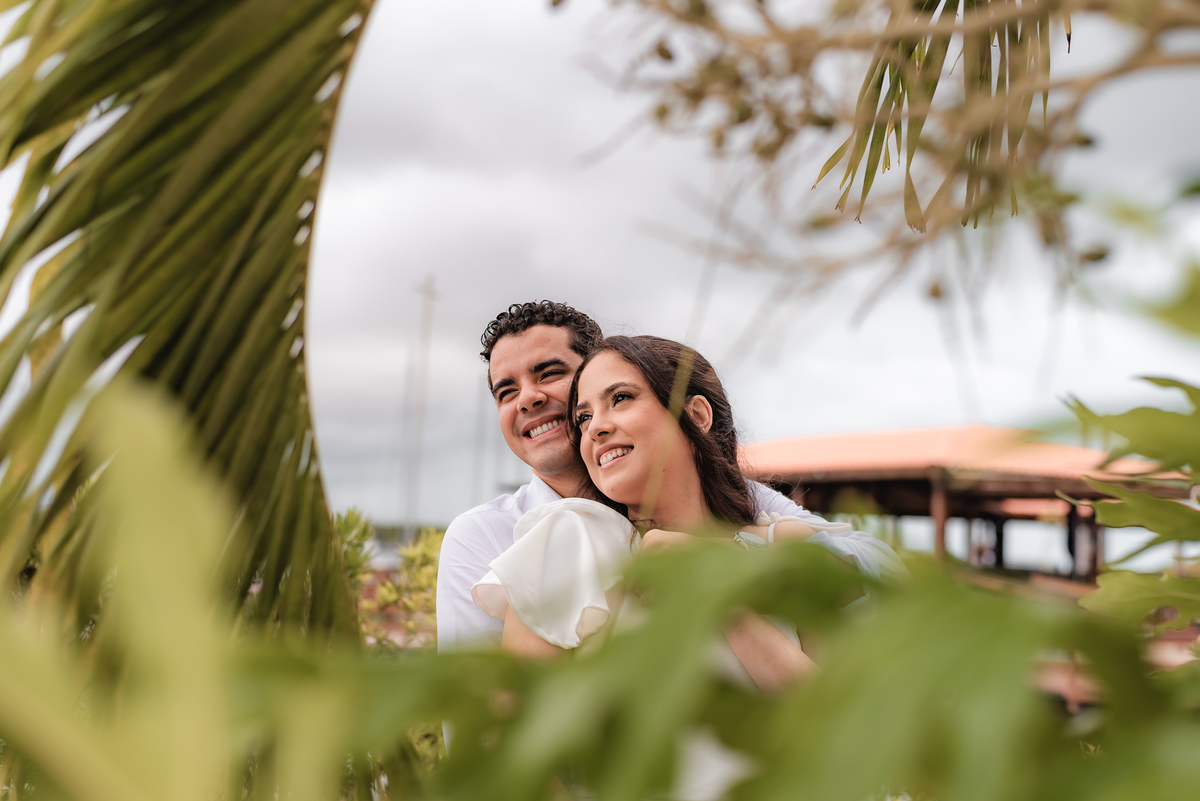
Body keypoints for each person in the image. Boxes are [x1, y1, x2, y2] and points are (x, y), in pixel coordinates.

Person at [436, 302, 904, 656]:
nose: (528, 399)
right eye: (506, 391)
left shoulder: (736, 506)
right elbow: (483, 713)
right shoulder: (491, 535)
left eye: (549, 373)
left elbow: (873, 566)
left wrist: (726, 553)